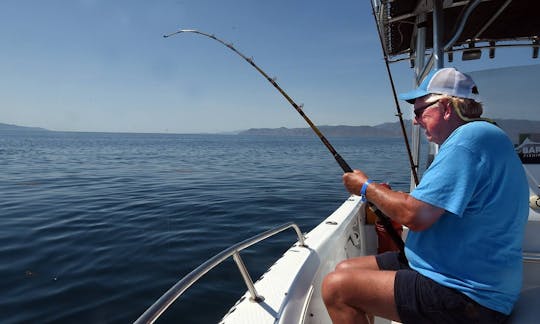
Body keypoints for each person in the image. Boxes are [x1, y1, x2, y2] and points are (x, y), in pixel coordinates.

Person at [321, 67, 529, 324]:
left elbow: (415, 215)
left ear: (446, 107)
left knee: (337, 288)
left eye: (420, 111)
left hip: (469, 294)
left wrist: (365, 187)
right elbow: (427, 206)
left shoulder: (468, 139)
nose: (416, 121)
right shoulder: (484, 136)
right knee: (345, 269)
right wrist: (385, 195)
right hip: (447, 269)